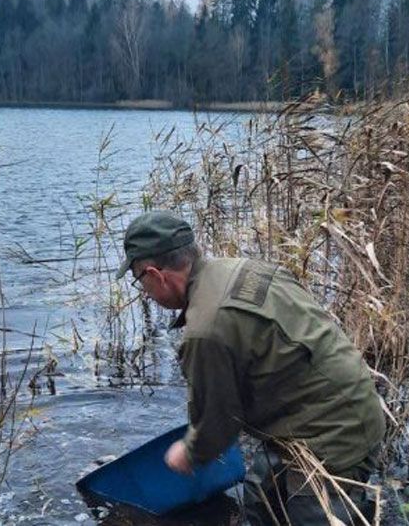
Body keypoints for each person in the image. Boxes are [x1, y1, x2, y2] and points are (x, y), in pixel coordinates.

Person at [116, 210, 386, 525]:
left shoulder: (206, 329)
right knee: (260, 501)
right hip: (343, 401)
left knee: (311, 516)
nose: (145, 293)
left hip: (334, 434)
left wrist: (187, 453)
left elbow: (219, 421)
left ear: (156, 274)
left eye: (140, 281)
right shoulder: (244, 269)